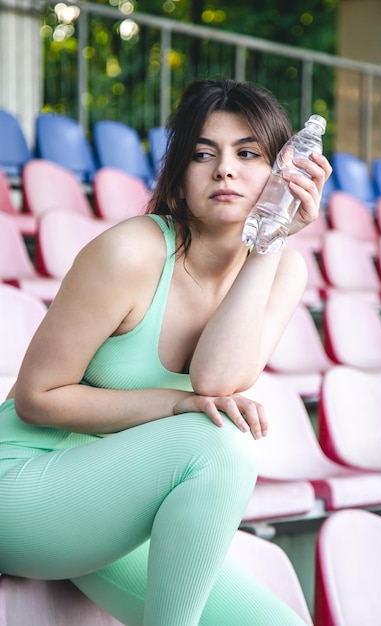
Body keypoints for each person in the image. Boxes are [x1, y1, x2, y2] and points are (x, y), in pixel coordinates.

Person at [0, 78, 331, 625]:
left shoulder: (282, 268)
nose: (225, 169)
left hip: (111, 510)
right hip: (22, 484)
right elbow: (36, 398)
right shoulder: (131, 251)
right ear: (178, 184)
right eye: (204, 154)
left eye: (248, 153)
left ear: (284, 173)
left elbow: (217, 380)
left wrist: (271, 238)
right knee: (221, 440)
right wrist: (172, 405)